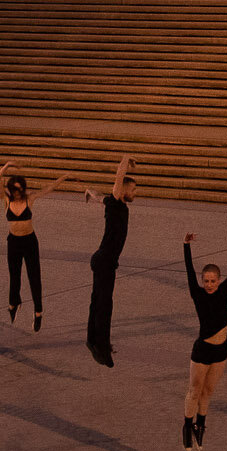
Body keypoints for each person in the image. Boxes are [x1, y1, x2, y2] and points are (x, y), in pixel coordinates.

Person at [179, 234, 227, 451]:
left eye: (213, 281)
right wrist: (186, 246)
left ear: (218, 280)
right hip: (202, 350)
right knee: (194, 390)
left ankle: (200, 426)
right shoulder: (197, 293)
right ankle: (186, 427)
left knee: (208, 391)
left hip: (222, 351)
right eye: (206, 281)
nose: (209, 284)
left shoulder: (223, 291)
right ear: (202, 281)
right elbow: (189, 271)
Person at [76, 156, 139, 367]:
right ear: (122, 190)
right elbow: (118, 178)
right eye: (132, 189)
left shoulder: (111, 204)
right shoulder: (117, 203)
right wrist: (125, 159)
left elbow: (98, 196)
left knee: (97, 302)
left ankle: (92, 340)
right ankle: (101, 348)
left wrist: (89, 192)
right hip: (105, 261)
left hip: (103, 260)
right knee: (104, 305)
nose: (134, 193)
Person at [0, 161, 71, 329]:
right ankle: (14, 303)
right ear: (10, 190)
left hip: (29, 242)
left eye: (20, 190)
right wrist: (8, 165)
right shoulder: (5, 200)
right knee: (14, 276)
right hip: (13, 242)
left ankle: (38, 312)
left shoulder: (30, 199)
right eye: (14, 190)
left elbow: (48, 189)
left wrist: (63, 178)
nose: (18, 193)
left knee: (34, 276)